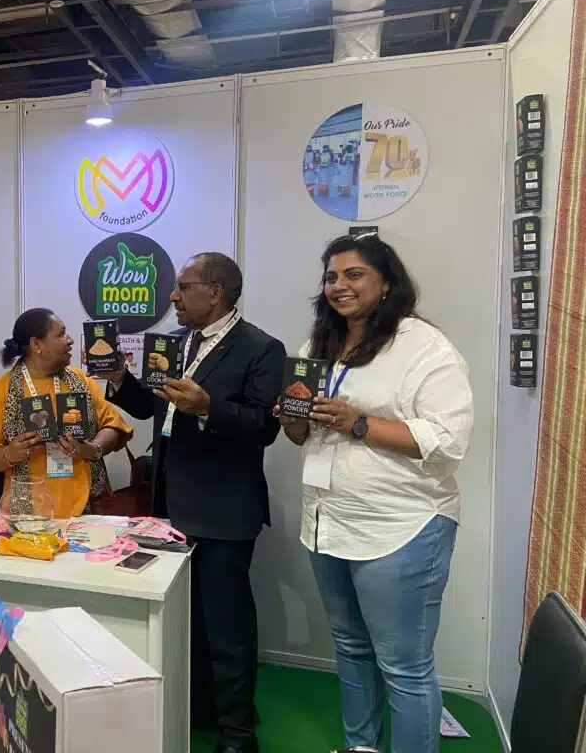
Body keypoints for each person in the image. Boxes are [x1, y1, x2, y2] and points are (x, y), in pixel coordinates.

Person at [278, 233, 473, 753]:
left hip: (401, 525)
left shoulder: (423, 346)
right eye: (331, 277)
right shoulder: (317, 345)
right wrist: (292, 418)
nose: (339, 286)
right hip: (327, 520)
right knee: (350, 648)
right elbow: (301, 437)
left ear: (386, 283)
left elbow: (449, 441)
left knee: (404, 666)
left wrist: (357, 422)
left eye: (354, 274)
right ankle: (360, 747)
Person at [99, 252, 285, 753]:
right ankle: (200, 708)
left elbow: (263, 427)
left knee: (227, 626)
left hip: (223, 509)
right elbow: (151, 406)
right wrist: (119, 378)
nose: (173, 297)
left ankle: (238, 733)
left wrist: (208, 408)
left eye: (183, 287)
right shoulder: (174, 343)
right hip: (168, 504)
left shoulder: (261, 348)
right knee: (187, 622)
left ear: (216, 292)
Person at [0, 308, 132, 519]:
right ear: (36, 345)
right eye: (61, 334)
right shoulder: (3, 389)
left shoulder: (79, 380)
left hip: (88, 508)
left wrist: (91, 449)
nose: (70, 340)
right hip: (30, 513)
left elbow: (113, 426)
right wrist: (9, 453)